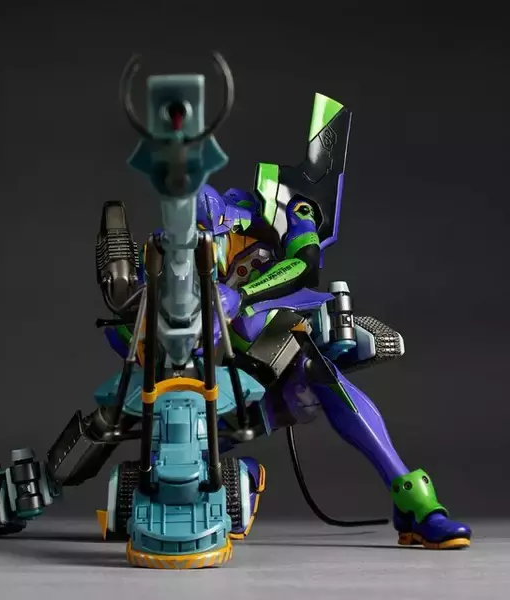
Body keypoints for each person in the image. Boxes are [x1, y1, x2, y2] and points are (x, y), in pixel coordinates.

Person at [193, 92, 471, 550]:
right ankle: (225, 478)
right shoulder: (165, 246)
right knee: (174, 432)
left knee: (317, 373)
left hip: (269, 351)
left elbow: (304, 265)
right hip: (206, 373)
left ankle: (415, 503)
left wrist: (240, 295)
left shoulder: (271, 214)